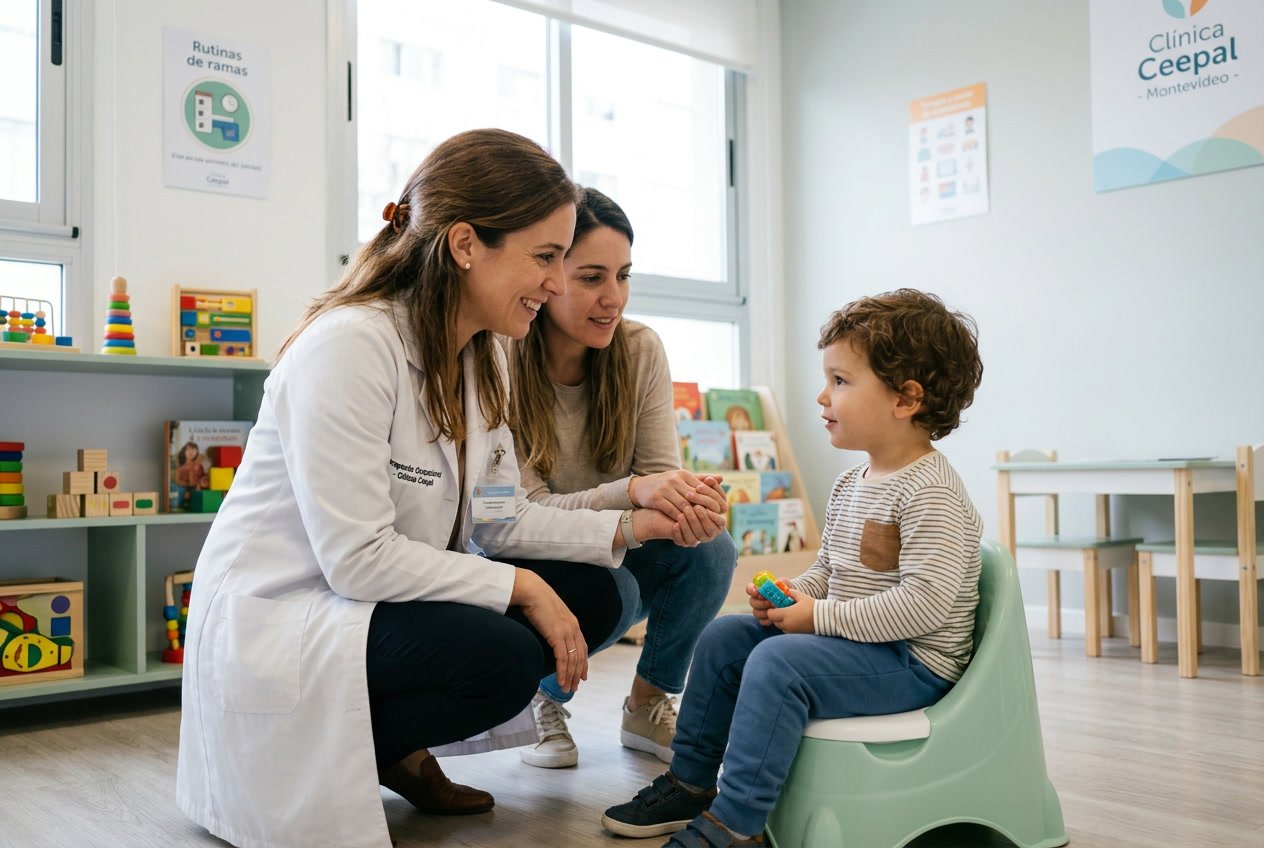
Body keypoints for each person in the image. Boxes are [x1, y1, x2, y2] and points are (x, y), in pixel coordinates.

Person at [176, 129, 699, 848]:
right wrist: (524, 589)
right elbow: (355, 559)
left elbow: (499, 518)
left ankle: (383, 749)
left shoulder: (487, 358)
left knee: (598, 593)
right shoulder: (351, 346)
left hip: (371, 602)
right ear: (463, 246)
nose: (555, 283)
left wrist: (630, 525)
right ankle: (358, 751)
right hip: (292, 609)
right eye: (546, 257)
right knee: (504, 654)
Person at [601, 288, 985, 847]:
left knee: (782, 664)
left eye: (841, 381)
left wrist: (816, 617)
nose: (822, 396)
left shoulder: (931, 492)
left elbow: (924, 607)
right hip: (861, 645)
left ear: (905, 399)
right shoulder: (853, 482)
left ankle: (737, 823)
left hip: (913, 662)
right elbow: (830, 571)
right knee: (726, 635)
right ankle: (690, 784)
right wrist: (791, 594)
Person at [505, 187, 736, 769]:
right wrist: (632, 494)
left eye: (624, 276)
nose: (613, 299)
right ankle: (544, 695)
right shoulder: (501, 358)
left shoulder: (638, 349)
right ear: (551, 276)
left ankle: (648, 702)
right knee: (621, 589)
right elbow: (523, 512)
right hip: (526, 552)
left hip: (611, 538)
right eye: (591, 278)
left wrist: (689, 504)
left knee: (710, 546)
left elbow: (660, 475)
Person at [172, 441, 207, 509]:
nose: (191, 452)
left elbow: (203, 478)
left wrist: (200, 484)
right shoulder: (179, 469)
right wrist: (187, 489)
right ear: (184, 452)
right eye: (188, 450)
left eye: (194, 450)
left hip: (197, 492)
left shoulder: (199, 466)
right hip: (184, 493)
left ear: (197, 452)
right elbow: (177, 481)